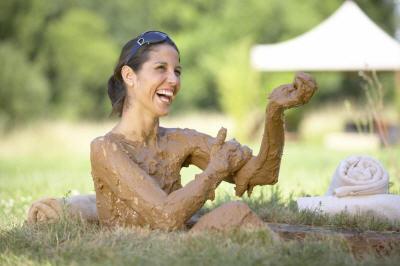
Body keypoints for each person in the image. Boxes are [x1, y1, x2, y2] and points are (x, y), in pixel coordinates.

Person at [27, 31, 317, 231]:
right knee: (233, 214)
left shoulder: (181, 141)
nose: (173, 80)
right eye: (161, 68)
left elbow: (263, 174)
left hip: (180, 241)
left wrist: (275, 113)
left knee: (236, 215)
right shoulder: (106, 148)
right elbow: (164, 217)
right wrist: (215, 170)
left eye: (177, 71)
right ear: (129, 76)